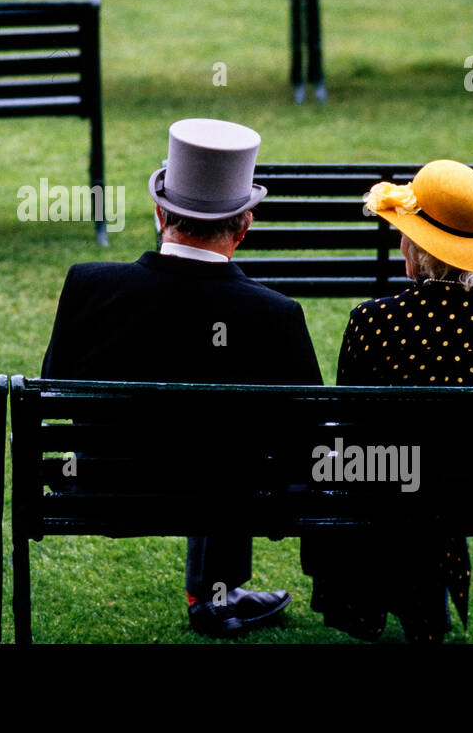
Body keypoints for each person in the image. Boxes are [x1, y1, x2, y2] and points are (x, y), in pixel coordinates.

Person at [41, 117, 323, 638]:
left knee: (224, 456)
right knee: (230, 457)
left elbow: (53, 383)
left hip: (103, 490)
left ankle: (218, 590)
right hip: (227, 493)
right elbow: (305, 437)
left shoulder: (89, 286)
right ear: (244, 227)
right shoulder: (275, 315)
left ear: (158, 212)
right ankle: (218, 591)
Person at [299, 158, 473, 643]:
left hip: (392, 489)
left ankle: (412, 602)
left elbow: (349, 436)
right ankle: (426, 604)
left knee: (399, 473)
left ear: (414, 245)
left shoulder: (373, 322)